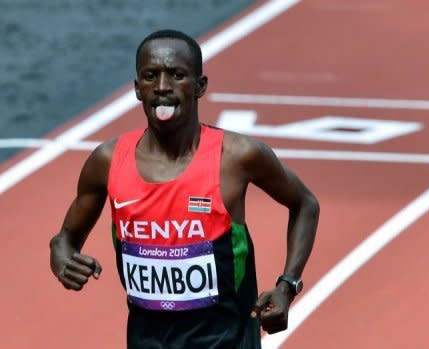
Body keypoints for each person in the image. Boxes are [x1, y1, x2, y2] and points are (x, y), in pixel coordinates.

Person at [50, 29, 319, 348]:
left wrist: (287, 285)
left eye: (176, 75)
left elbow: (305, 204)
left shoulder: (237, 157)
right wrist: (63, 259)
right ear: (138, 89)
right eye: (151, 76)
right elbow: (64, 240)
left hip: (226, 341)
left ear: (200, 86)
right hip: (145, 341)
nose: (162, 87)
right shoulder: (107, 161)